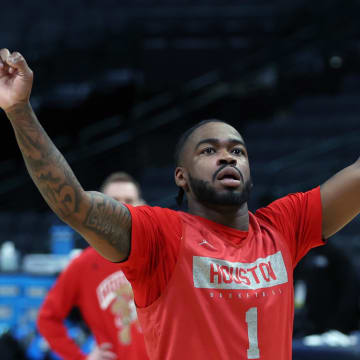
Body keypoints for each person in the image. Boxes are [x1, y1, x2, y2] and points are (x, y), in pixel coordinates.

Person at [1, 49, 360, 360]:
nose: (227, 158)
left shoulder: (283, 226)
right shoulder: (160, 235)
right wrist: (19, 110)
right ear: (181, 177)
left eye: (237, 151)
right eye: (209, 151)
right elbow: (75, 205)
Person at [37, 172, 149, 360]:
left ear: (142, 205)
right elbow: (47, 319)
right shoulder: (83, 264)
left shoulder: (159, 253)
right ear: (99, 209)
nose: (122, 207)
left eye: (129, 200)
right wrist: (80, 358)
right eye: (114, 201)